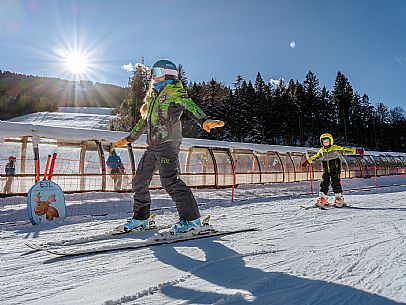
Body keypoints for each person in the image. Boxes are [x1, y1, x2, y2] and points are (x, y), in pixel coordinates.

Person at [114, 59, 224, 234]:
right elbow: (145, 122)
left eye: (157, 72)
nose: (153, 77)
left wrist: (203, 120)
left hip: (168, 144)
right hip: (153, 146)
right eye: (153, 73)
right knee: (139, 181)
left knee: (170, 181)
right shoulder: (153, 98)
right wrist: (129, 139)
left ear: (168, 73)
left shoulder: (174, 90)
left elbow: (188, 105)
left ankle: (192, 220)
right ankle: (141, 218)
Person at [301, 133, 364, 207]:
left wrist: (356, 151)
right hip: (326, 170)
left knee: (335, 182)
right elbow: (316, 156)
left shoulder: (335, 148)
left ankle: (338, 198)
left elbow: (345, 150)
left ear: (330, 141)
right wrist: (308, 161)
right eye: (324, 142)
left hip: (335, 169)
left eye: (327, 141)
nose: (326, 143)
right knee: (324, 182)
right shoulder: (322, 150)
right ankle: (323, 198)